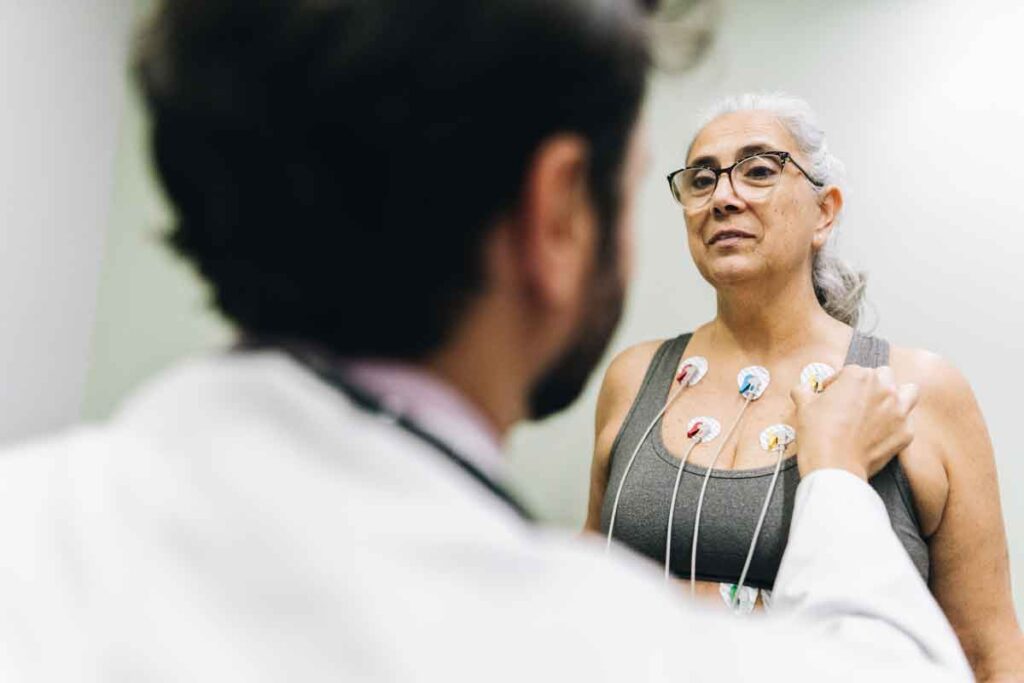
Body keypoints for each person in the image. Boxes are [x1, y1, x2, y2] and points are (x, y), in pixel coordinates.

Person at [0, 3, 969, 680]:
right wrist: (836, 480)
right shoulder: (581, 633)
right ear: (555, 215)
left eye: (758, 169)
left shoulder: (27, 520)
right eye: (682, 177)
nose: (722, 196)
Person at [587, 92, 1021, 680]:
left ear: (825, 212)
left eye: (759, 171)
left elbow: (986, 652)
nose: (723, 197)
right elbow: (583, 596)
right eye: (701, 179)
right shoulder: (634, 377)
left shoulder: (918, 390)